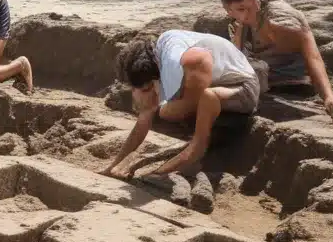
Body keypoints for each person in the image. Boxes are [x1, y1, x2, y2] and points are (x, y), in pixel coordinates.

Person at [103, 30, 262, 179]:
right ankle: (198, 140)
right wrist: (112, 166)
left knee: (183, 107)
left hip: (242, 87)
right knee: (157, 112)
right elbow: (144, 118)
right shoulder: (160, 57)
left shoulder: (188, 62)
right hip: (210, 84)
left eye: (147, 87)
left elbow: (201, 59)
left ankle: (209, 148)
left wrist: (157, 173)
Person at [220, 0, 333, 121]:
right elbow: (237, 55)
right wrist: (240, 27)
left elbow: (313, 56)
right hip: (264, 76)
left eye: (250, 5)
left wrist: (328, 97)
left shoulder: (280, 20)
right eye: (241, 9)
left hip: (293, 83)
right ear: (228, 10)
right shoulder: (240, 22)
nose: (248, 12)